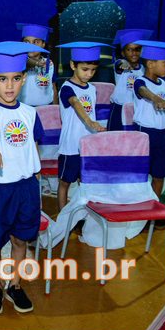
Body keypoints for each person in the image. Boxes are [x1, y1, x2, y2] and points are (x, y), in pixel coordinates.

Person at [0, 42, 48, 315]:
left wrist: (35, 172)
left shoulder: (30, 112)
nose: (9, 85)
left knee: (21, 239)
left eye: (16, 79)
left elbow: (33, 146)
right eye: (3, 79)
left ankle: (15, 285)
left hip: (26, 186)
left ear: (24, 79)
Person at [132, 41, 165, 213]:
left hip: (164, 136)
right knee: (141, 176)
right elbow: (142, 90)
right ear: (150, 63)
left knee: (159, 175)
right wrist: (154, 98)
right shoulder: (139, 81)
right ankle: (139, 209)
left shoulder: (162, 83)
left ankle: (153, 212)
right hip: (146, 136)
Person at [55, 42, 108, 212]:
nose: (89, 74)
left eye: (93, 70)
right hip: (71, 145)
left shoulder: (92, 88)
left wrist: (94, 127)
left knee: (84, 181)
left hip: (88, 144)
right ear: (73, 65)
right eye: (85, 69)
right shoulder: (67, 88)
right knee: (65, 182)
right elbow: (75, 102)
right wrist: (88, 121)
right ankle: (63, 216)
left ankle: (83, 213)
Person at [108, 29, 153, 131]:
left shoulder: (143, 70)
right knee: (114, 135)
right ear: (123, 53)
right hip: (119, 108)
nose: (134, 53)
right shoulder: (119, 65)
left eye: (137, 49)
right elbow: (120, 64)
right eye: (129, 50)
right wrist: (125, 64)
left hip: (136, 108)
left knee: (133, 135)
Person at [17, 23, 58, 107]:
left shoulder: (49, 64)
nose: (31, 45)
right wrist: (37, 63)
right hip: (25, 107)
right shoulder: (18, 62)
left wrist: (55, 107)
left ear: (43, 44)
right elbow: (28, 62)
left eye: (36, 42)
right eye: (26, 42)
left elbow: (53, 86)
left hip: (46, 107)